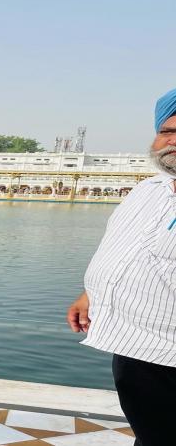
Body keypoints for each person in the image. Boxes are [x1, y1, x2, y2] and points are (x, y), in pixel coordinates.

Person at [67, 87, 176, 446]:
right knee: (151, 434)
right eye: (169, 132)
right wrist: (90, 293)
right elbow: (123, 248)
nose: (173, 141)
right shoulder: (149, 190)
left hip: (170, 352)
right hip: (133, 345)